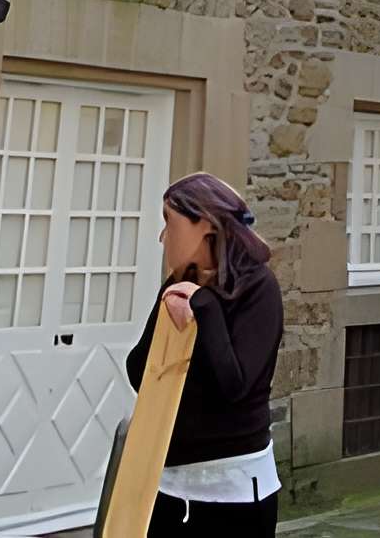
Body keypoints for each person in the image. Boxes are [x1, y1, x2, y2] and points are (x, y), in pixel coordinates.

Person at [98, 173, 284, 536]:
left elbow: (235, 386)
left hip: (234, 491)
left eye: (169, 221)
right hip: (166, 485)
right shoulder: (180, 284)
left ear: (206, 225)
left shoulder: (259, 289)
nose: (162, 236)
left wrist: (204, 306)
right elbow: (140, 373)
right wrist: (168, 310)